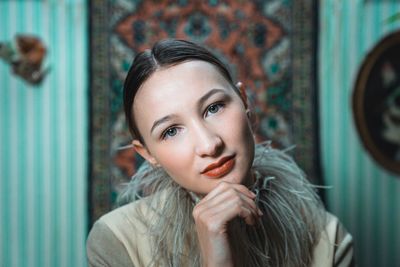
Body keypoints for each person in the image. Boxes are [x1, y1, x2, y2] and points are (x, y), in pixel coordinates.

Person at [86, 39, 354, 267]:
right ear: (147, 154)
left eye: (214, 108)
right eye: (170, 131)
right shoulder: (116, 239)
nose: (208, 145)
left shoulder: (328, 240)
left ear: (244, 102)